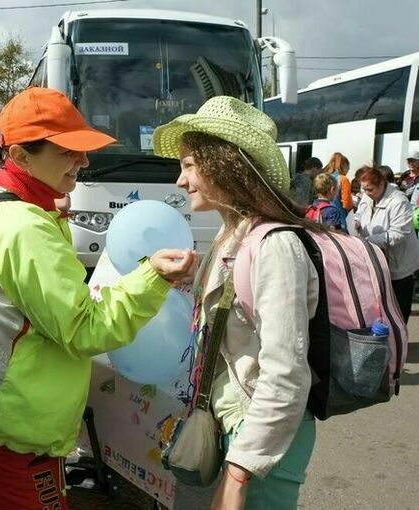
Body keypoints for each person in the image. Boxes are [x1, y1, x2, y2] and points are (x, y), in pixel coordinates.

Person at [0, 87, 197, 510]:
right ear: (20, 157)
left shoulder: (16, 208)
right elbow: (84, 328)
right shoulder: (24, 225)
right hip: (9, 426)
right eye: (69, 151)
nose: (84, 161)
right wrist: (153, 278)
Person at [153, 96, 320, 510]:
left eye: (189, 164)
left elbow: (286, 373)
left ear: (224, 163)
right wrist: (192, 280)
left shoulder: (276, 246)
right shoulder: (232, 235)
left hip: (260, 440)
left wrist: (240, 470)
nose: (180, 180)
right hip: (232, 426)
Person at [354, 167, 419, 323]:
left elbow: (399, 233)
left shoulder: (398, 201)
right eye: (364, 189)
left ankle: (399, 340)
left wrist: (368, 241)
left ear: (381, 184)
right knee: (380, 308)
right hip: (377, 262)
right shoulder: (367, 196)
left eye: (370, 189)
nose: (366, 192)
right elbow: (359, 213)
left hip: (398, 265)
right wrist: (357, 221)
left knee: (399, 308)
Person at [322, 152, 353, 227]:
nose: (348, 169)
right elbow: (346, 204)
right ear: (344, 165)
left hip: (323, 216)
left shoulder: (324, 178)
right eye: (348, 167)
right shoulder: (343, 179)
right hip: (339, 218)